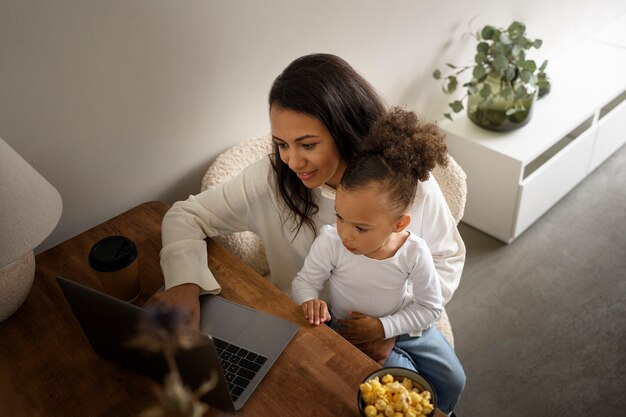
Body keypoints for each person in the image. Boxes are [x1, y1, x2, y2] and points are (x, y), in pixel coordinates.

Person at [154, 53, 466, 363]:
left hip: (385, 325)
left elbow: (446, 259)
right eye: (282, 144)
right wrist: (183, 283)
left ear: (345, 131)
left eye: (307, 144)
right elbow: (186, 216)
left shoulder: (404, 183)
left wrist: (389, 328)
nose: (292, 161)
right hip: (298, 331)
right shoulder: (271, 180)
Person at [291, 107, 465, 414]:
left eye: (360, 228)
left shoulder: (415, 252)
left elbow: (430, 307)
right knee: (402, 392)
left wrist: (385, 328)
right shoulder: (331, 241)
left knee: (454, 380)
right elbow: (305, 282)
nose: (346, 234)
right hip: (354, 333)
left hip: (405, 325)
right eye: (340, 217)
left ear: (399, 224)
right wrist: (309, 300)